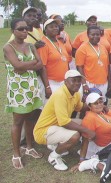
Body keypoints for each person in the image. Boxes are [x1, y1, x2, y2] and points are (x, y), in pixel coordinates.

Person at [4, 18, 46, 169]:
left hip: (32, 88)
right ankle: (16, 154)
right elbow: (16, 65)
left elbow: (40, 64)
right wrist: (29, 64)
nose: (24, 31)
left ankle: (29, 147)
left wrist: (24, 66)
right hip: (18, 91)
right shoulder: (8, 47)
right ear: (13, 31)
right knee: (18, 121)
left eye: (26, 28)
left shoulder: (30, 46)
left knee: (31, 119)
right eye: (20, 29)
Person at [33, 70, 96, 171]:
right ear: (65, 81)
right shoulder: (60, 95)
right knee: (75, 135)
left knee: (85, 123)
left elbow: (80, 107)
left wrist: (95, 105)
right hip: (43, 131)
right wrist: (86, 131)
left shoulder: (75, 93)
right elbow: (64, 122)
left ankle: (56, 143)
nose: (77, 83)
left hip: (55, 125)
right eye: (73, 80)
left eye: (79, 81)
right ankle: (53, 157)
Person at [78, 92, 111, 160]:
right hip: (106, 145)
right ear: (90, 106)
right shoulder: (89, 118)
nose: (99, 105)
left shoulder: (101, 111)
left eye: (100, 102)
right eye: (96, 103)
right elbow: (85, 140)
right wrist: (81, 160)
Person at [75, 25, 111, 98]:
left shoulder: (103, 48)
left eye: (97, 34)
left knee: (102, 104)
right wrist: (84, 84)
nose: (95, 36)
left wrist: (109, 83)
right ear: (88, 35)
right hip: (90, 83)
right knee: (90, 105)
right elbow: (79, 68)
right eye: (93, 34)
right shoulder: (82, 49)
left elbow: (108, 66)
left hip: (103, 82)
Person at [38, 19, 69, 93]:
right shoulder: (43, 44)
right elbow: (42, 67)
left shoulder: (60, 42)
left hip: (63, 82)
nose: (55, 28)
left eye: (56, 26)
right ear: (45, 30)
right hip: (51, 83)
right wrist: (47, 86)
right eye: (51, 27)